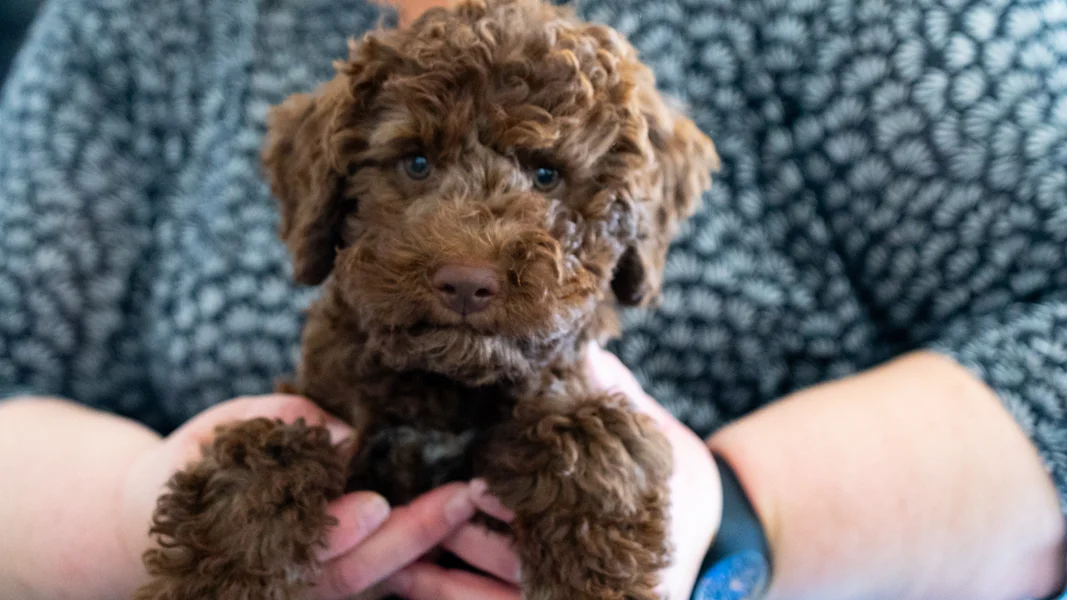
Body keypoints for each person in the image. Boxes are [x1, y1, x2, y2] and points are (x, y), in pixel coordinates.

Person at [1, 0, 1065, 598]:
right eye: (412, 166)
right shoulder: (134, 26)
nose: (466, 254)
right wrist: (127, 515)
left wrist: (732, 520)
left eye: (546, 176)